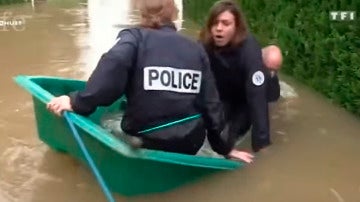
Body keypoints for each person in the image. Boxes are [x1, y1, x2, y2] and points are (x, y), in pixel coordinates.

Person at [47, 0, 254, 163]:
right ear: (174, 14)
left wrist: (76, 102)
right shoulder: (197, 50)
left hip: (144, 141)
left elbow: (110, 73)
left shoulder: (135, 39)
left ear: (142, 12)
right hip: (189, 145)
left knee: (109, 121)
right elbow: (211, 106)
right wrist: (225, 149)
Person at [199, 0, 282, 152]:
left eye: (225, 23)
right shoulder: (204, 44)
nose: (219, 28)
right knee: (211, 126)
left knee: (231, 133)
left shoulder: (249, 50)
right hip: (224, 94)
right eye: (215, 23)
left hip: (247, 98)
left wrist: (262, 145)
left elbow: (257, 98)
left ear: (236, 27)